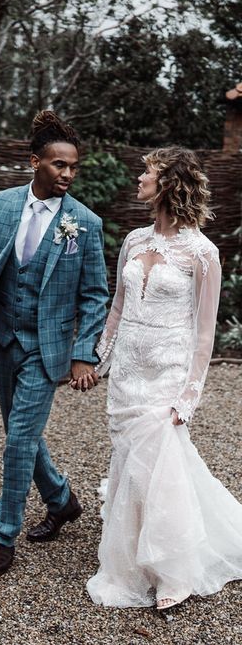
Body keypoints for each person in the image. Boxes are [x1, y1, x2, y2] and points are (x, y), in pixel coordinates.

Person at [0, 110, 109, 578]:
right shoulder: (1, 204)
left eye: (74, 167)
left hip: (48, 349)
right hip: (5, 340)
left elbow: (96, 295)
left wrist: (83, 354)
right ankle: (61, 501)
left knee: (18, 441)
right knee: (22, 435)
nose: (68, 174)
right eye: (60, 165)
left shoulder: (85, 223)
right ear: (34, 161)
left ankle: (2, 539)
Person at [86, 147, 242, 610]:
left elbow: (205, 331)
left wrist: (189, 394)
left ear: (169, 184)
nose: (139, 179)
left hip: (168, 371)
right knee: (132, 462)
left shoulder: (203, 252)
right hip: (128, 372)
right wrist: (97, 363)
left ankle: (174, 566)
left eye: (147, 173)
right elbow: (117, 309)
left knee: (162, 465)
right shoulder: (134, 242)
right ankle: (135, 554)